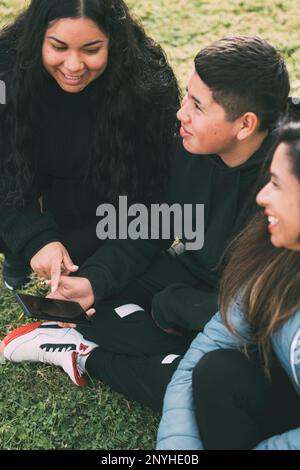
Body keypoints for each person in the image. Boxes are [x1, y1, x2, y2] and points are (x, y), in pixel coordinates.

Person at [0, 36, 291, 413]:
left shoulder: (289, 174)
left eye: (197, 106)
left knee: (220, 383)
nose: (180, 113)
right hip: (192, 275)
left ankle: (91, 359)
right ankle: (158, 349)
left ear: (245, 124)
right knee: (95, 309)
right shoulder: (185, 146)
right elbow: (152, 226)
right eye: (187, 96)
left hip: (250, 310)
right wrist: (93, 282)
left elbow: (273, 312)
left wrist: (177, 306)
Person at [0, 0, 180, 290]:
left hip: (97, 188)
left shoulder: (147, 84)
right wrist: (34, 238)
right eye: (58, 47)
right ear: (37, 38)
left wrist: (100, 272)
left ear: (114, 42)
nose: (73, 65)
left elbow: (156, 191)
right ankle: (18, 252)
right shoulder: (4, 72)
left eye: (91, 49)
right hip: (25, 179)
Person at [156, 121, 300, 450]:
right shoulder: (275, 257)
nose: (261, 196)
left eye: (276, 184)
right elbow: (204, 351)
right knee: (217, 371)